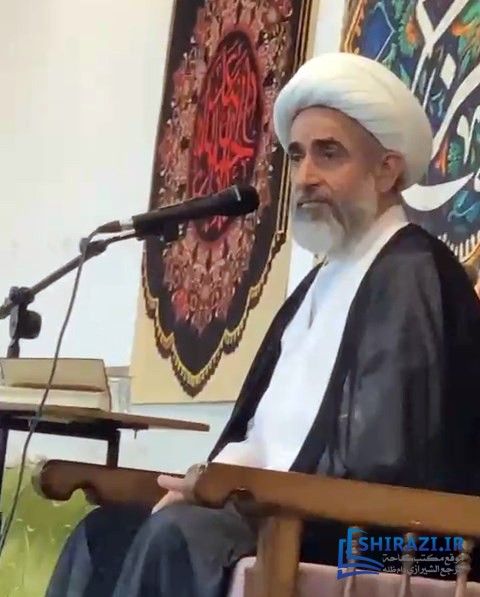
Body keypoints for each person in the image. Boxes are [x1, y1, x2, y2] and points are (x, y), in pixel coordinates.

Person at [46, 52, 480, 597]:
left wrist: (231, 494)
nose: (306, 177)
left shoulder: (412, 274)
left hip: (400, 544)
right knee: (104, 533)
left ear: (387, 170)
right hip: (283, 513)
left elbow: (387, 463)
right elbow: (262, 437)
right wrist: (208, 484)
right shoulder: (321, 283)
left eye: (329, 154)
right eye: (296, 156)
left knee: (181, 536)